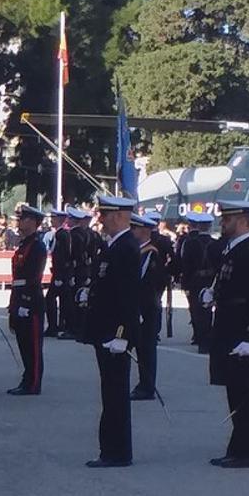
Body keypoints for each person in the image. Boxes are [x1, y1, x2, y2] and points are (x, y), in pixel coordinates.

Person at [207, 201, 249, 469]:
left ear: (244, 221)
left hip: (242, 330)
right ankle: (239, 446)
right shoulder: (233, 249)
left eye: (228, 219)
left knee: (246, 391)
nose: (223, 223)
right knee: (235, 389)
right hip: (228, 327)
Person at [79, 196, 141, 468]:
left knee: (116, 394)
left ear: (118, 216)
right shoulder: (113, 246)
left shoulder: (127, 247)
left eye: (105, 215)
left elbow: (128, 297)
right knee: (110, 392)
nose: (101, 219)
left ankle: (117, 452)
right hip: (105, 331)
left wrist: (122, 335)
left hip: (114, 334)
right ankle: (112, 449)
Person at [8, 204, 48, 395]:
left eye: (23, 219)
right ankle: (27, 378)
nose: (19, 222)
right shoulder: (24, 244)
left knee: (32, 345)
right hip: (19, 297)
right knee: (23, 343)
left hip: (30, 300)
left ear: (33, 222)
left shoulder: (37, 245)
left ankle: (33, 382)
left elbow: (33, 276)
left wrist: (24, 301)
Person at [131, 211, 168, 401]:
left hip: (147, 308)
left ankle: (147, 386)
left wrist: (141, 307)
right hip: (141, 308)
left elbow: (149, 283)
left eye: (134, 228)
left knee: (146, 348)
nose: (131, 231)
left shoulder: (150, 254)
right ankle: (143, 383)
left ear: (145, 231)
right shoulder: (139, 252)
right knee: (140, 347)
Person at [178, 211, 215, 353]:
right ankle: (207, 338)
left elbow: (185, 263)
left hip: (195, 281)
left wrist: (185, 283)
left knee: (196, 310)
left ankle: (201, 338)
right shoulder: (215, 243)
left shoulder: (190, 242)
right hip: (211, 281)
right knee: (208, 310)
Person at [62, 207, 94, 340]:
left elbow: (72, 255)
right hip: (85, 269)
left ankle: (74, 328)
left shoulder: (73, 235)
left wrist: (71, 271)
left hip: (76, 271)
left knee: (73, 301)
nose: (67, 220)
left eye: (69, 218)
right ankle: (80, 328)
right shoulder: (87, 233)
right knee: (81, 300)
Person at [45, 209, 71, 337]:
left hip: (60, 274)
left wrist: (59, 275)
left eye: (53, 218)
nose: (51, 220)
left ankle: (54, 326)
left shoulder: (61, 235)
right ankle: (59, 325)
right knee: (61, 299)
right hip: (59, 272)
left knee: (51, 299)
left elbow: (62, 256)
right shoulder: (60, 234)